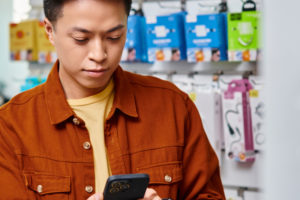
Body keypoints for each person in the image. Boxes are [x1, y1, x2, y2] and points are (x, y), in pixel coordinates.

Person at [0, 0, 226, 199]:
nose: (99, 55)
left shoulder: (174, 106)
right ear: (49, 30)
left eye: (114, 37)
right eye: (81, 39)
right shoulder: (10, 126)